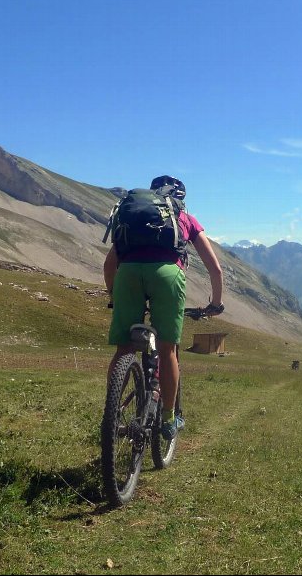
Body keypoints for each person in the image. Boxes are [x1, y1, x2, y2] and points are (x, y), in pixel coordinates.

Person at [104, 175, 224, 440]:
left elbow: (109, 265)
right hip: (167, 275)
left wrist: (114, 295)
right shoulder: (183, 217)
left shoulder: (134, 219)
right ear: (180, 198)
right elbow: (215, 268)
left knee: (124, 348)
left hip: (127, 276)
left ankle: (112, 411)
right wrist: (215, 304)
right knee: (168, 349)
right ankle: (169, 419)